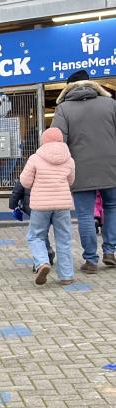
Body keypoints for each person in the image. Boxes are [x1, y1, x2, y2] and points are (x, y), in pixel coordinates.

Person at [51, 69, 116, 273]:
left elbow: (56, 140)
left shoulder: (64, 109)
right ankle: (110, 251)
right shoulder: (110, 104)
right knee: (112, 207)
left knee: (86, 215)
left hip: (80, 169)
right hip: (111, 167)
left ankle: (90, 260)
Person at [20, 128, 76, 286]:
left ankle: (42, 263)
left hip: (41, 205)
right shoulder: (69, 159)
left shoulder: (35, 158)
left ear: (43, 140)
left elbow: (25, 181)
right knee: (64, 239)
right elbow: (71, 181)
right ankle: (66, 276)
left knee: (35, 236)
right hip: (63, 205)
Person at [9, 179, 55, 268]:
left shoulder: (31, 165)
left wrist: (13, 204)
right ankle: (48, 255)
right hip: (55, 202)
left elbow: (20, 184)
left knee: (38, 234)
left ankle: (41, 261)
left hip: (35, 204)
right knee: (44, 233)